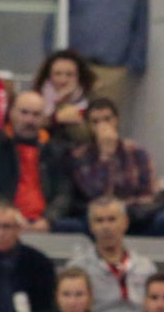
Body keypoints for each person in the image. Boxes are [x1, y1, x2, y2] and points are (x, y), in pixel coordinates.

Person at [0, 90, 67, 232]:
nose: (29, 120)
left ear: (44, 119)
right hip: (3, 219)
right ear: (12, 113)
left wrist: (48, 219)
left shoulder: (55, 150)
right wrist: (8, 213)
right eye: (24, 113)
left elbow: (64, 192)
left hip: (45, 222)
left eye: (36, 115)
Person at [65, 97, 162, 232]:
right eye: (95, 122)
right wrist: (105, 157)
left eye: (107, 119)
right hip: (98, 216)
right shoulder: (80, 155)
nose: (103, 126)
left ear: (116, 120)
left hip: (134, 215)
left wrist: (122, 209)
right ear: (88, 125)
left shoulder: (137, 153)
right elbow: (93, 194)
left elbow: (148, 195)